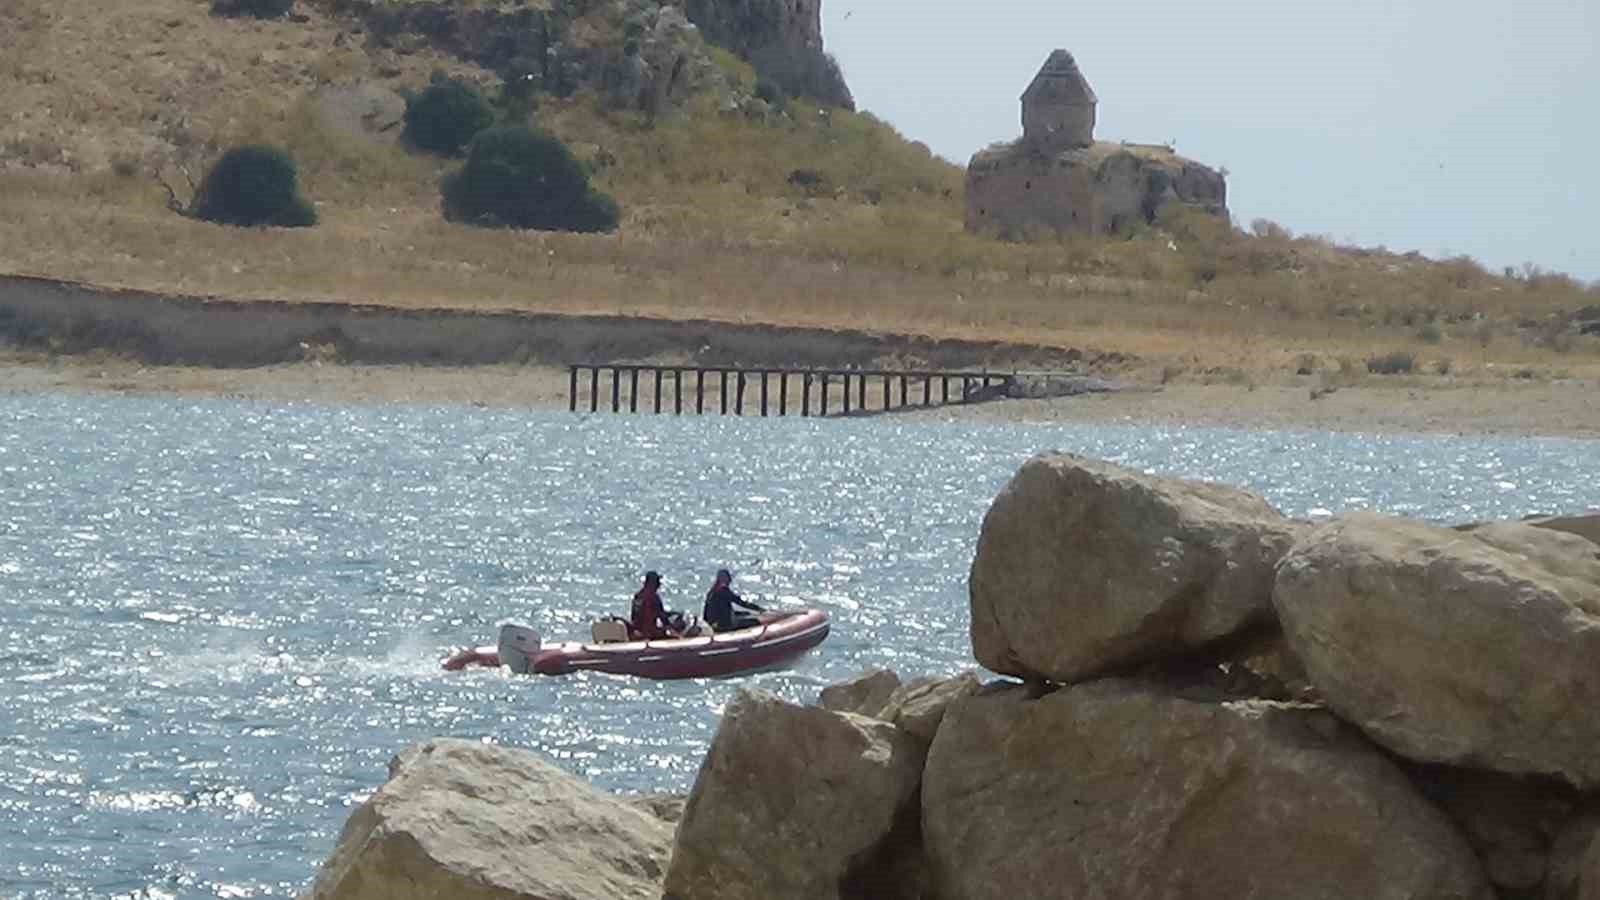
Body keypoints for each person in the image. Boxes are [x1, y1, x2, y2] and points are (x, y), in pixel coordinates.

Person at [630, 571, 677, 640]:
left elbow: (633, 617)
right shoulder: (654, 597)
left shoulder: (638, 596)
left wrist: (671, 613)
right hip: (650, 633)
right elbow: (663, 618)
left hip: (637, 631)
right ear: (653, 583)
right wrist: (673, 627)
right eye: (657, 582)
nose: (659, 584)